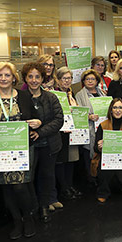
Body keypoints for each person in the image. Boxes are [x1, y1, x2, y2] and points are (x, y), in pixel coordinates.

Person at [0, 61, 38, 239]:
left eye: (7, 75)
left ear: (13, 78)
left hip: (21, 149)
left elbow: (35, 117)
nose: (3, 78)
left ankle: (28, 217)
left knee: (19, 186)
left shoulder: (24, 96)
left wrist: (38, 123)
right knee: (6, 189)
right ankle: (17, 221)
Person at [21, 61, 64, 222]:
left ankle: (44, 206)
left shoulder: (51, 97)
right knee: (29, 177)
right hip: (28, 146)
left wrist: (40, 131)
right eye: (30, 77)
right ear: (25, 78)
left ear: (42, 78)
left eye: (37, 77)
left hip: (49, 144)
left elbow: (59, 120)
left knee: (47, 175)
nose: (34, 80)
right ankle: (33, 207)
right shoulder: (20, 97)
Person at [94, 98, 122, 202]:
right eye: (115, 107)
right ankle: (103, 192)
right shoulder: (103, 125)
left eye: (120, 107)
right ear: (111, 110)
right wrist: (99, 146)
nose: (117, 110)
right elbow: (95, 148)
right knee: (105, 172)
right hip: (107, 159)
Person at [54, 67, 81, 204]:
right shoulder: (55, 94)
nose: (67, 81)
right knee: (61, 160)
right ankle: (63, 188)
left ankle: (69, 186)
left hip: (72, 131)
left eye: (69, 78)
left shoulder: (71, 93)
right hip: (60, 132)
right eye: (64, 78)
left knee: (71, 159)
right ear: (58, 80)